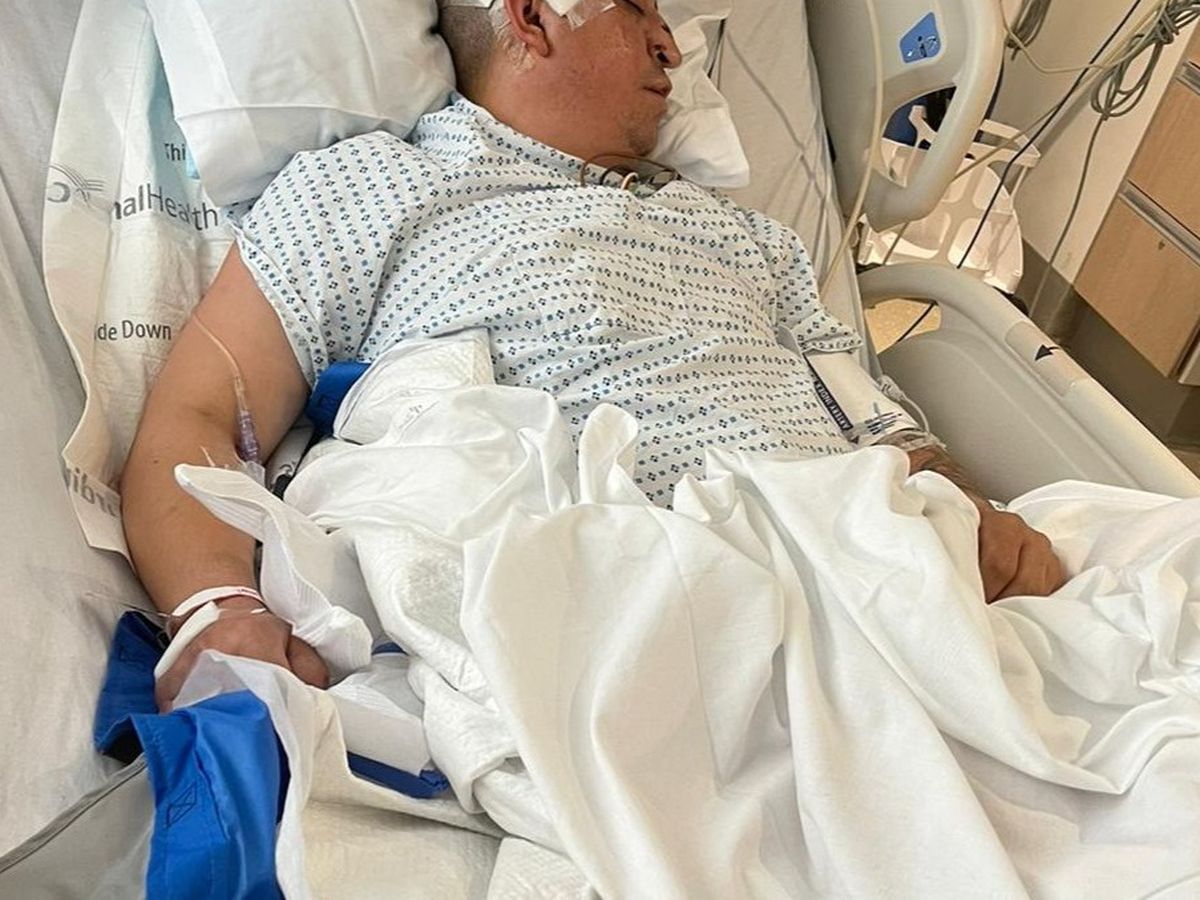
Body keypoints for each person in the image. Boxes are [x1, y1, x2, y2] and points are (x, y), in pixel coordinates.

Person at [122, 0, 1065, 709]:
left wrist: (968, 507)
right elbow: (200, 417)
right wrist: (214, 608)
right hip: (615, 630)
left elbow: (873, 418)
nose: (671, 46)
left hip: (884, 588)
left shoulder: (751, 239)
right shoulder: (368, 188)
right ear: (534, 17)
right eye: (637, 11)